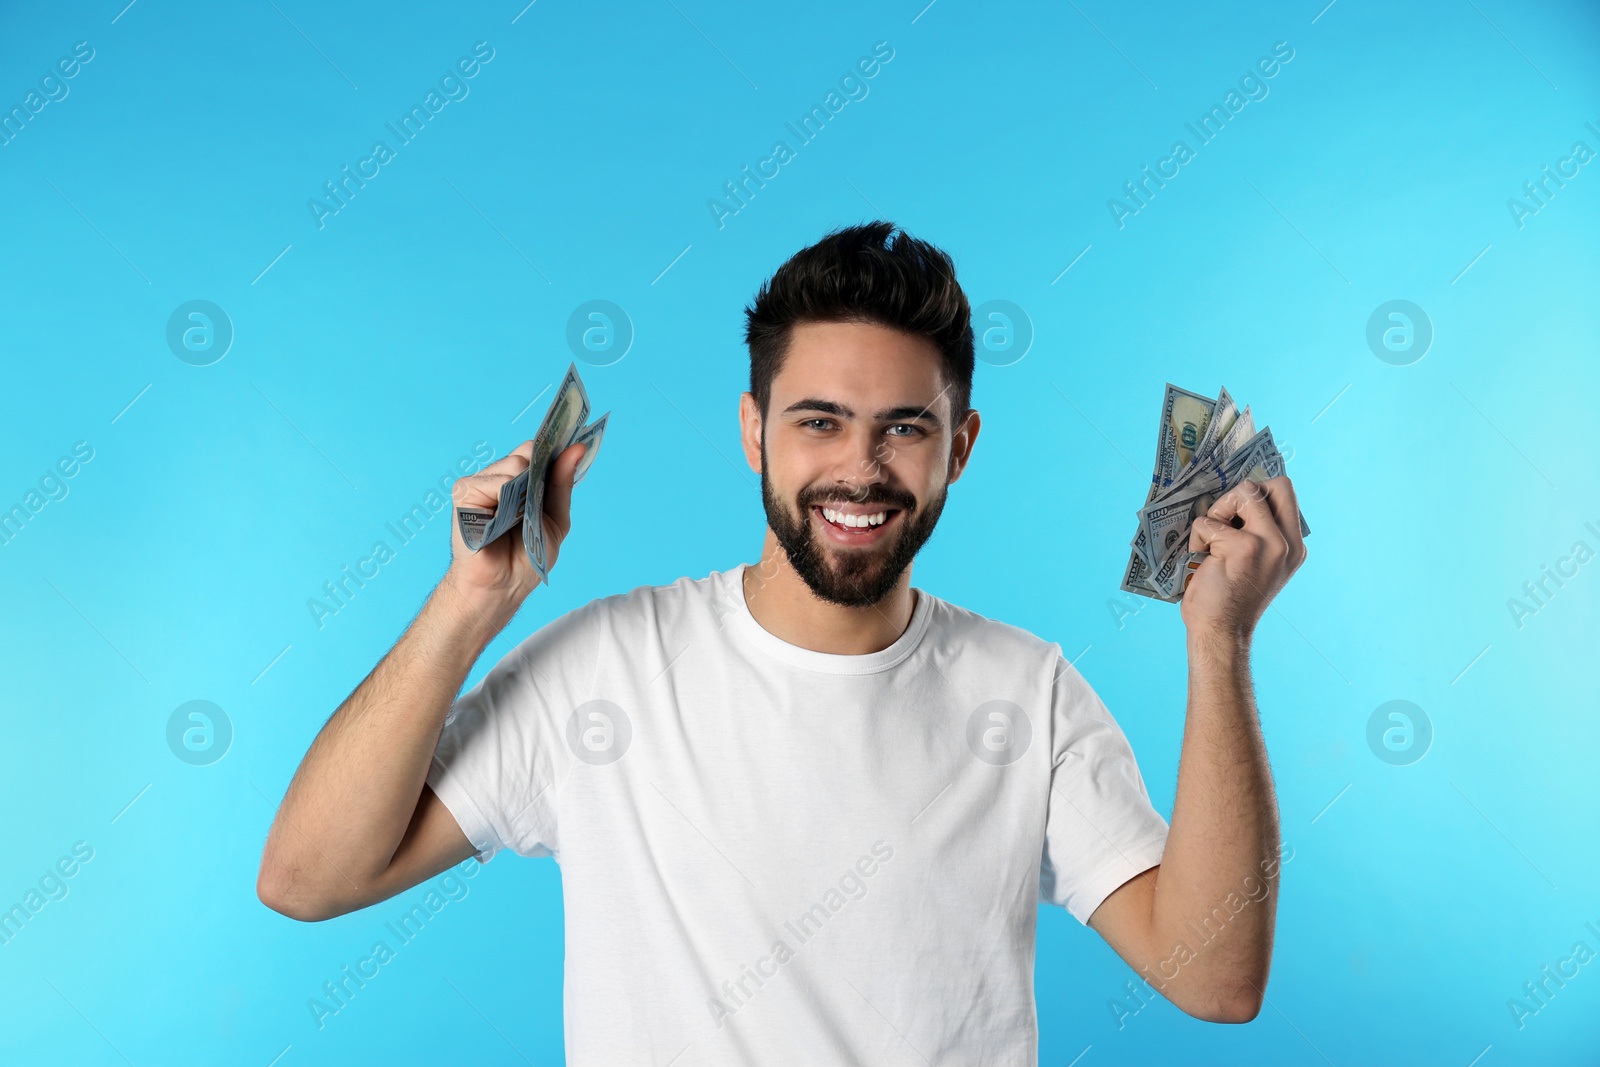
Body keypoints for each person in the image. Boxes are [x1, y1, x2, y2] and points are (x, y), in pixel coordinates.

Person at [257, 222, 1307, 1064]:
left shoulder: (1026, 691)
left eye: (904, 425)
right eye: (818, 421)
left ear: (960, 447)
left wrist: (1218, 643)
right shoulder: (603, 667)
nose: (861, 467)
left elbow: (1213, 977)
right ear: (753, 429)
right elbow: (307, 877)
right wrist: (469, 599)